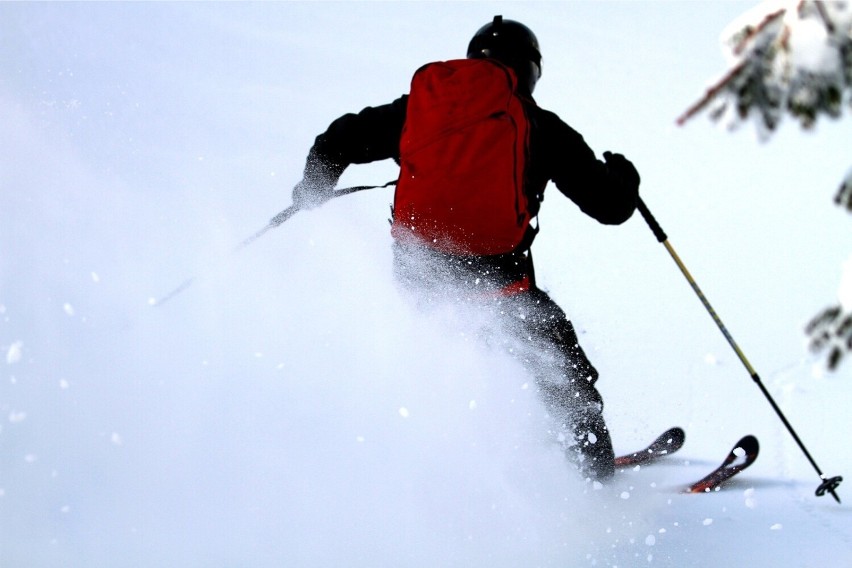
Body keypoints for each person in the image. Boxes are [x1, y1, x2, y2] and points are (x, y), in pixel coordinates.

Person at [289, 16, 640, 481]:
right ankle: (591, 471)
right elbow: (611, 206)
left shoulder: (419, 110)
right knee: (557, 366)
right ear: (530, 70)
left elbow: (341, 138)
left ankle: (445, 453)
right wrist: (625, 175)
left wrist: (313, 187)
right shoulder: (540, 127)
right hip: (500, 281)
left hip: (420, 277)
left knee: (455, 355)